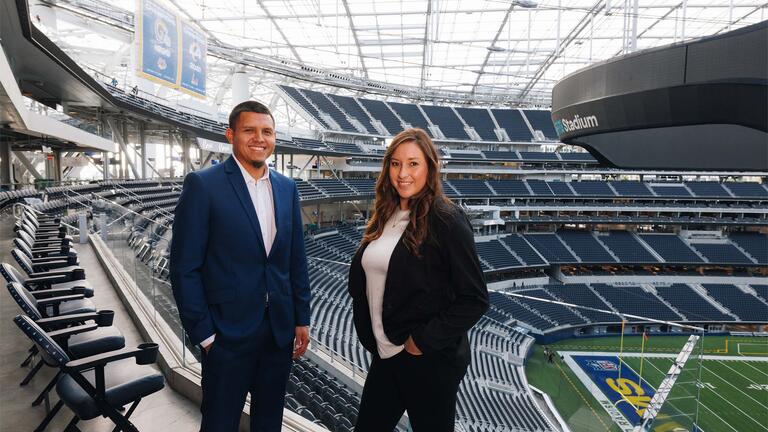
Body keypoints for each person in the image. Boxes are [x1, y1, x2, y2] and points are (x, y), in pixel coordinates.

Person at [170, 100, 311, 432]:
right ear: (230, 134)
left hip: (277, 332)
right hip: (226, 334)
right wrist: (204, 334)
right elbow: (184, 267)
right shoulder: (203, 185)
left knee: (268, 424)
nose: (259, 138)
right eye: (250, 130)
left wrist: (301, 317)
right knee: (219, 423)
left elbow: (295, 259)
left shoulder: (287, 187)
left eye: (267, 131)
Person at [347, 128, 489, 432]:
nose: (403, 173)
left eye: (413, 164)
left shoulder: (446, 218)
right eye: (396, 164)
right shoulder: (386, 214)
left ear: (430, 167)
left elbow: (475, 298)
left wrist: (421, 342)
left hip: (428, 360)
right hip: (386, 355)